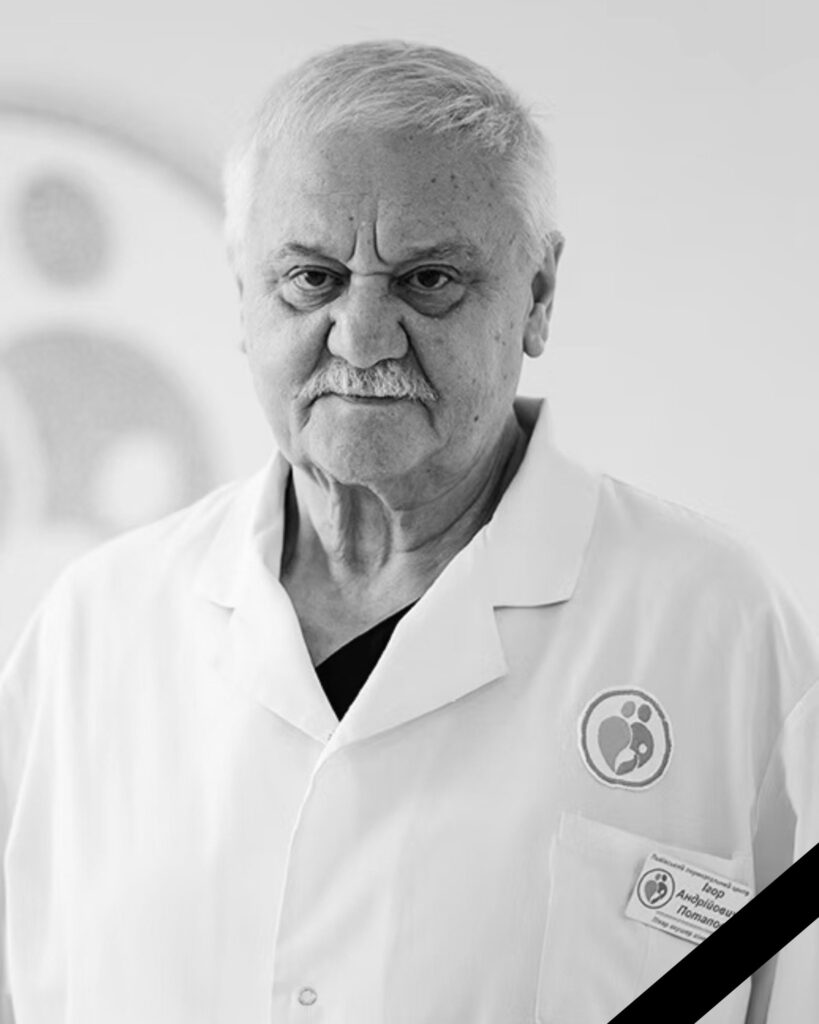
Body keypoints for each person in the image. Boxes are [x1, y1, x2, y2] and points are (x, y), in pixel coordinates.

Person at [1, 39, 817, 1024]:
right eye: (312, 278)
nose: (361, 336)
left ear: (538, 296)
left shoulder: (715, 631)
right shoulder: (96, 629)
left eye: (428, 280)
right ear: (244, 295)